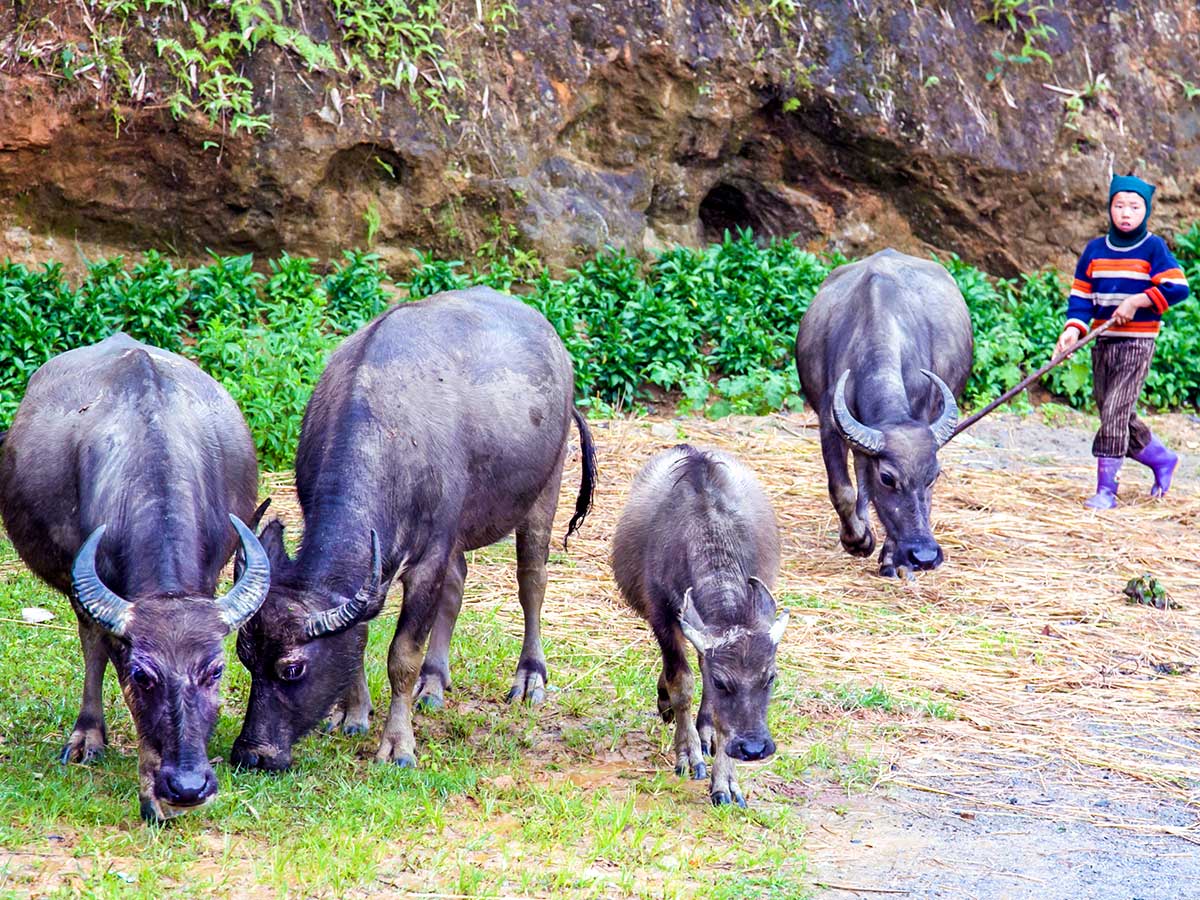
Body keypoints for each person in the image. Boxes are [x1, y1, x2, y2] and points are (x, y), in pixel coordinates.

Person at [1054, 173, 1190, 509]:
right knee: (1115, 415)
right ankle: (1161, 459)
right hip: (1103, 344)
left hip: (1136, 344)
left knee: (1115, 410)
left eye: (1134, 206)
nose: (1126, 213)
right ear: (1109, 208)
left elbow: (1178, 287)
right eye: (1119, 206)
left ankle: (1106, 490)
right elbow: (1082, 298)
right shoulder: (1095, 250)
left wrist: (1138, 301)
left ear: (1146, 211)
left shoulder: (1153, 248)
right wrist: (1073, 329)